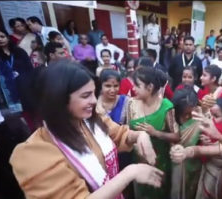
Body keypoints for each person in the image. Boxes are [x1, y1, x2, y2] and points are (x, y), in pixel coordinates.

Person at [10, 60, 162, 199]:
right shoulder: (36, 153)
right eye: (85, 96)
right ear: (59, 99)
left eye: (94, 94)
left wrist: (140, 136)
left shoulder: (90, 121)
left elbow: (120, 134)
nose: (94, 101)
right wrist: (130, 173)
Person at [127, 67, 180, 199]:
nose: (133, 89)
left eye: (137, 85)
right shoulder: (131, 104)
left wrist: (155, 133)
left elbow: (176, 136)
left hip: (159, 163)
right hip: (138, 161)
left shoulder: (166, 106)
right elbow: (127, 130)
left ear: (150, 87)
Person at [170, 87, 202, 199]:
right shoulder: (170, 117)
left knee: (190, 190)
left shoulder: (201, 118)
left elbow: (203, 141)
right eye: (184, 114)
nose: (188, 116)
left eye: (191, 112)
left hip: (193, 163)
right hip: (175, 162)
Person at [0, 29, 33, 114]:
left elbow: (29, 68)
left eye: (2, 36)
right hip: (7, 89)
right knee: (19, 115)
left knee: (31, 111)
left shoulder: (19, 51)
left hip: (25, 85)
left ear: (7, 38)